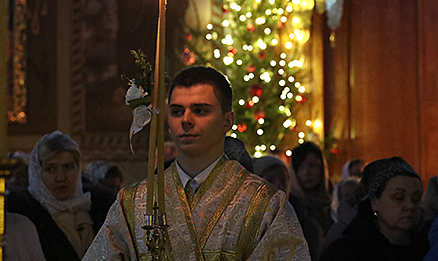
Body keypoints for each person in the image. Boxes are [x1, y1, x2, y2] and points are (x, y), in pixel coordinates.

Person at [83, 66, 309, 260]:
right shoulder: (132, 204)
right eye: (177, 111)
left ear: (227, 121)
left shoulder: (265, 205)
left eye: (200, 110)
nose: (186, 120)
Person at [7, 131, 110, 261]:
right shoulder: (26, 214)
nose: (61, 177)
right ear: (38, 173)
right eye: (50, 169)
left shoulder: (100, 209)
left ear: (77, 169)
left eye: (68, 167)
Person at [319, 157, 429, 261]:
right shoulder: (346, 252)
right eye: (399, 198)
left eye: (416, 199)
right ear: (375, 202)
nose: (410, 206)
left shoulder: (429, 245)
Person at [289, 142, 333, 236]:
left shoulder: (334, 204)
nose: (306, 172)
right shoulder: (288, 209)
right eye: (301, 167)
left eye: (312, 166)